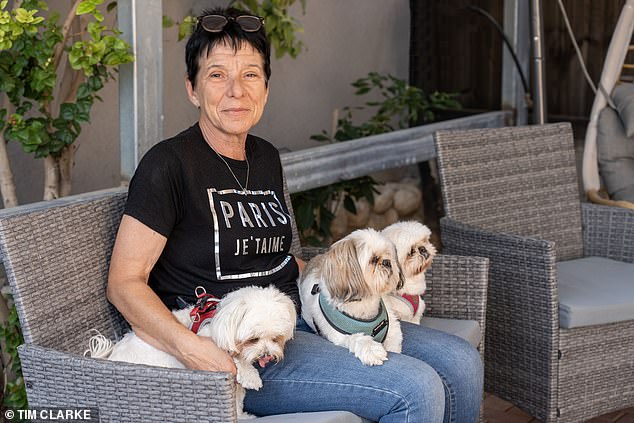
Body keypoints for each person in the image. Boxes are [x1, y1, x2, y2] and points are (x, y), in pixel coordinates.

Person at [107, 7, 483, 423]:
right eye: (217, 75)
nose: (236, 90)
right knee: (414, 388)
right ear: (192, 89)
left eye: (250, 74)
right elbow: (124, 283)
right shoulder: (169, 165)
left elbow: (282, 259)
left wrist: (347, 280)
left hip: (305, 315)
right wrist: (192, 349)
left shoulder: (265, 157)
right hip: (243, 346)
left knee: (461, 361)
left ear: (266, 89)